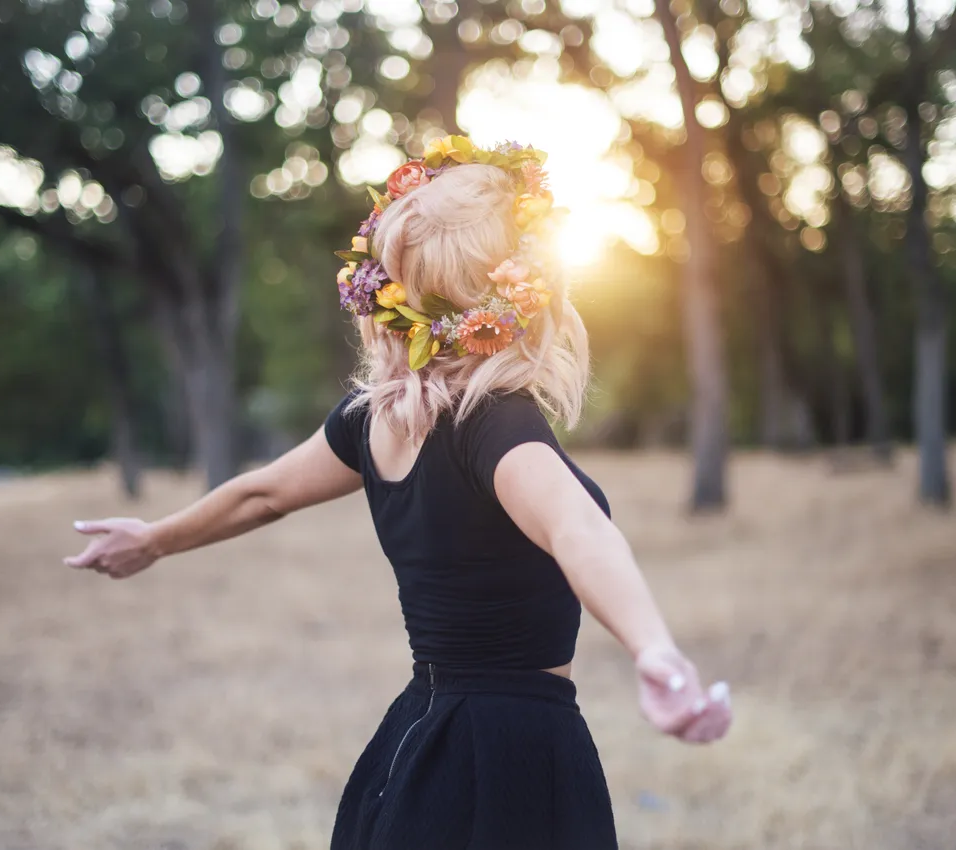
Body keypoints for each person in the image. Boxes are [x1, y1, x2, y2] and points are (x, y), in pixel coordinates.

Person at [62, 137, 733, 850]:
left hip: (422, 737)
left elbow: (262, 495)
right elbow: (577, 531)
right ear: (517, 285)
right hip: (511, 753)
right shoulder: (495, 424)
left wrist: (154, 538)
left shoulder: (374, 417)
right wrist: (653, 648)